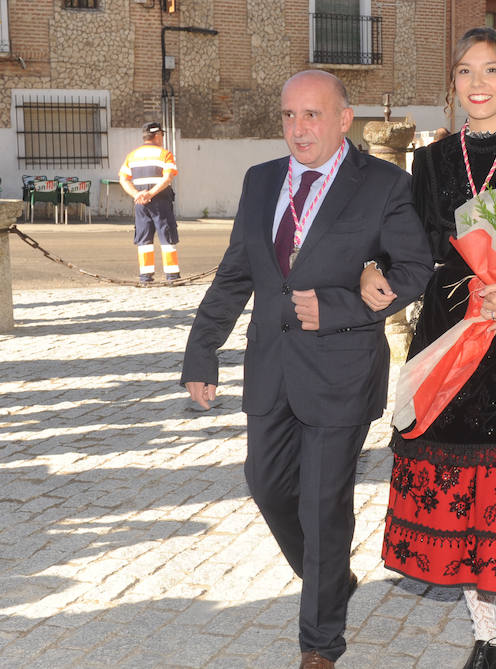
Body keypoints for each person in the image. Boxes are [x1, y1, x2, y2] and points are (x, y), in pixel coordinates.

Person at [180, 70, 433, 669]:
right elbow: (237, 271)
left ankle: (320, 643)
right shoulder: (262, 180)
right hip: (271, 366)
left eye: (312, 115)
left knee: (324, 505)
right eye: (290, 116)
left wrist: (341, 306)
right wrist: (201, 351)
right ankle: (329, 578)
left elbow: (415, 269)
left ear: (344, 119)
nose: (299, 128)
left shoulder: (385, 185)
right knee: (266, 484)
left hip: (341, 372)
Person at [360, 27, 496, 669]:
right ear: (453, 84)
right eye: (464, 71)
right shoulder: (429, 162)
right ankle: (482, 636)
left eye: (491, 70)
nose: (477, 83)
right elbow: (414, 249)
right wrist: (374, 268)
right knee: (460, 495)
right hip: (449, 346)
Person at [118, 121, 180, 283]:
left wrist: (137, 195)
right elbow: (167, 178)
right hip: (161, 201)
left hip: (141, 204)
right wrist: (151, 193)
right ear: (158, 135)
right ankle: (172, 276)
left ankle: (145, 276)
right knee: (166, 236)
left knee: (144, 239)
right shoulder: (165, 154)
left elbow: (123, 179)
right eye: (162, 135)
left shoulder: (132, 156)